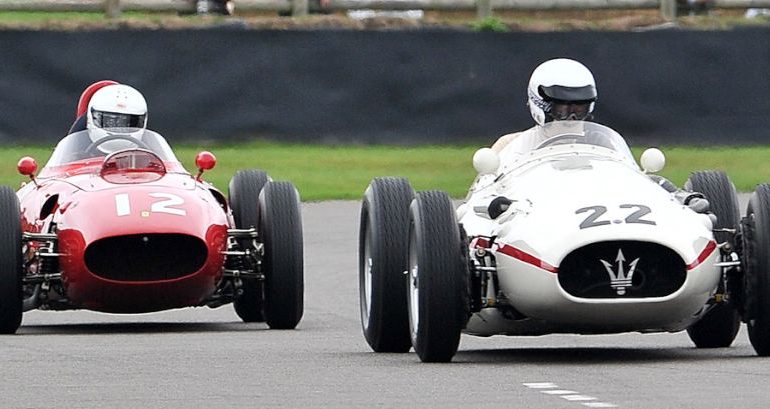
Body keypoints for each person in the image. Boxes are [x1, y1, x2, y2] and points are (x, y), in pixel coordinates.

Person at [491, 58, 597, 154]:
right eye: (563, 109)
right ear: (540, 106)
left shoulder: (602, 144)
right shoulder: (511, 147)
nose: (571, 119)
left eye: (580, 109)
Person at [68, 81, 148, 136]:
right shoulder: (76, 149)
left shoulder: (149, 151)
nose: (118, 128)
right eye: (110, 121)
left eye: (128, 123)